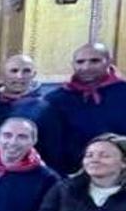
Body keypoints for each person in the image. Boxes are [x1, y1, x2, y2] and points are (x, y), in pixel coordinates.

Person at [38, 43, 126, 174]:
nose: (86, 67)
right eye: (80, 62)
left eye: (94, 61)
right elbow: (49, 143)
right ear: (73, 64)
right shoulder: (55, 100)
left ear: (109, 61)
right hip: (70, 176)